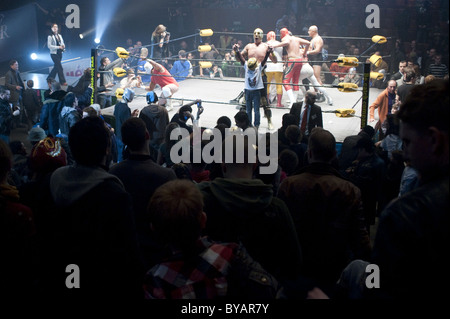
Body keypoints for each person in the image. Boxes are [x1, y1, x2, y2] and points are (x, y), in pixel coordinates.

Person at [39, 116, 144, 299]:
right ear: (107, 149)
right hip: (99, 284)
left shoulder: (51, 182)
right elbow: (128, 256)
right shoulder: (115, 195)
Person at [368, 79, 449, 299]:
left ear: (434, 140)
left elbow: (375, 285)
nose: (406, 152)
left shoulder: (405, 214)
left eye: (409, 142)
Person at [143, 179, 283, 299]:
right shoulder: (231, 254)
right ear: (203, 220)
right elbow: (267, 288)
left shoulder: (155, 281)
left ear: (153, 229)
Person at [197, 134, 303, 286]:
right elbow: (293, 263)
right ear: (255, 165)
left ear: (223, 165)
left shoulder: (200, 201)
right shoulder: (277, 208)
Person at [277, 128, 371, 296]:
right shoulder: (350, 190)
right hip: (334, 272)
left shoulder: (289, 185)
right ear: (335, 154)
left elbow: (278, 231)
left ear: (309, 153)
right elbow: (361, 240)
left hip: (296, 272)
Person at [109, 117, 176, 269]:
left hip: (122, 253)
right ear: (147, 135)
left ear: (124, 140)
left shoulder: (113, 173)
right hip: (157, 255)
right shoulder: (166, 175)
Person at [233, 28, 278, 129]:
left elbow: (275, 61)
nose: (256, 35)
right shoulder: (249, 46)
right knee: (245, 102)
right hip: (250, 77)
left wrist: (272, 52)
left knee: (265, 101)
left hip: (261, 76)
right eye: (255, 33)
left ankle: (269, 121)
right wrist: (236, 51)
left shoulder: (266, 46)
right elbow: (238, 58)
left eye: (259, 33)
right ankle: (241, 122)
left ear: (262, 35)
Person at [271, 27, 310, 108]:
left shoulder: (286, 38)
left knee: (285, 81)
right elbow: (308, 43)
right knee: (295, 81)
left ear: (282, 34)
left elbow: (286, 42)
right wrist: (304, 53)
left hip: (292, 60)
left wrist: (274, 45)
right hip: (300, 60)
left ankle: (292, 101)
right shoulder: (296, 38)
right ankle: (294, 102)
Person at [138, 91, 170, 160]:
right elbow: (168, 125)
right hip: (161, 140)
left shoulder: (144, 111)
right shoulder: (164, 110)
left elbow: (140, 126)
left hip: (148, 140)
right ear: (156, 99)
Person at [114, 88, 138, 162]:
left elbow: (118, 116)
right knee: (121, 155)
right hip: (122, 136)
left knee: (118, 153)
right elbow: (127, 122)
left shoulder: (117, 105)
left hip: (117, 133)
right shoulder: (126, 108)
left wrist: (130, 115)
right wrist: (133, 117)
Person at [265, 31, 284, 108]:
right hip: (278, 66)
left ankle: (267, 102)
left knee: (267, 85)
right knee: (279, 85)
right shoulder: (280, 44)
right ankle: (279, 103)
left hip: (268, 66)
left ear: (267, 36)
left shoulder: (265, 44)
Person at [306, 26, 324, 91]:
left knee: (317, 77)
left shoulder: (318, 39)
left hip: (317, 58)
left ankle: (321, 93)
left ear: (313, 31)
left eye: (309, 31)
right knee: (313, 78)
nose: (308, 32)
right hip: (312, 58)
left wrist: (307, 52)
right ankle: (316, 93)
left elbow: (317, 50)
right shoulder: (313, 39)